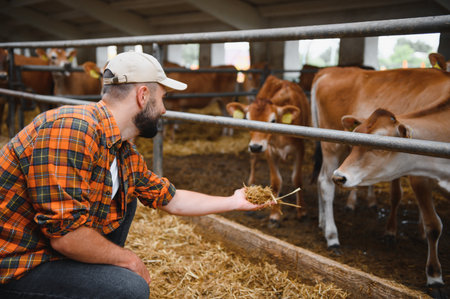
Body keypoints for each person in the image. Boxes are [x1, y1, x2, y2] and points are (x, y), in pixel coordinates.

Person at [0, 51, 267, 299]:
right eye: (161, 98)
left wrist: (234, 201)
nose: (163, 109)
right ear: (142, 95)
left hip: (49, 253)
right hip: (16, 263)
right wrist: (128, 260)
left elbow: (170, 199)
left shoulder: (121, 148)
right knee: (129, 288)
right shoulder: (71, 130)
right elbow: (66, 236)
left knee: (126, 199)